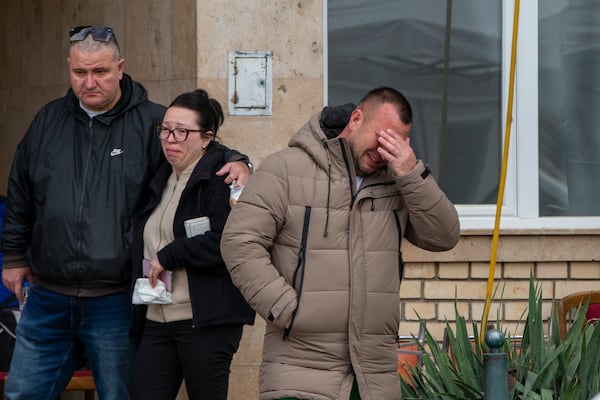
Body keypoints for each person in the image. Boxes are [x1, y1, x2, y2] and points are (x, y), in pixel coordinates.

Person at [0, 26, 251, 400]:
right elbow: (20, 191)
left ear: (120, 68)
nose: (89, 82)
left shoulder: (151, 122)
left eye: (100, 72)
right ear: (68, 68)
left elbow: (198, 145)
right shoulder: (47, 121)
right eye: (79, 72)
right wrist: (15, 255)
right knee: (23, 394)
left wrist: (237, 160)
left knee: (120, 395)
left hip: (116, 299)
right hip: (48, 295)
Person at [221, 87, 461, 400]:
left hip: (373, 378)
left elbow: (443, 236)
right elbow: (239, 242)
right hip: (299, 370)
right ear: (357, 119)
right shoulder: (286, 169)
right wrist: (287, 308)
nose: (384, 150)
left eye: (396, 142)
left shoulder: (399, 182)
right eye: (381, 136)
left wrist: (411, 173)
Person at [129, 89, 255, 400]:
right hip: (157, 317)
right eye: (166, 129)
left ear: (206, 138)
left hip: (205, 321)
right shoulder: (162, 177)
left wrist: (171, 254)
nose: (171, 139)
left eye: (182, 131)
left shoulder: (220, 179)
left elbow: (228, 240)